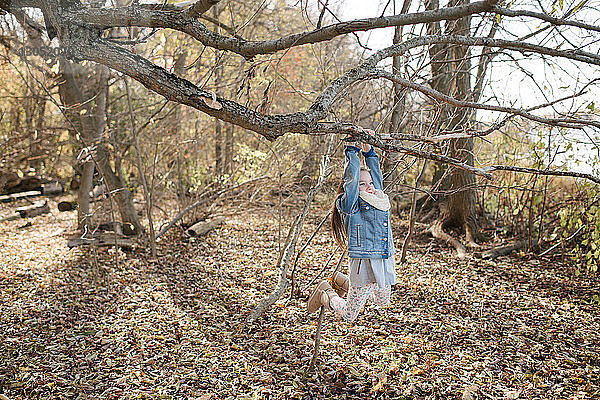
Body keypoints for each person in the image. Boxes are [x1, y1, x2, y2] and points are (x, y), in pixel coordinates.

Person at [307, 133, 396, 322]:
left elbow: (376, 177)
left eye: (370, 183)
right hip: (363, 263)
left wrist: (368, 150)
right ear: (355, 188)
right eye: (362, 184)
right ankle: (326, 293)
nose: (369, 187)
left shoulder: (379, 199)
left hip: (383, 258)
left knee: (382, 301)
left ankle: (342, 281)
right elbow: (352, 181)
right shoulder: (352, 205)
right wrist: (352, 152)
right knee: (349, 315)